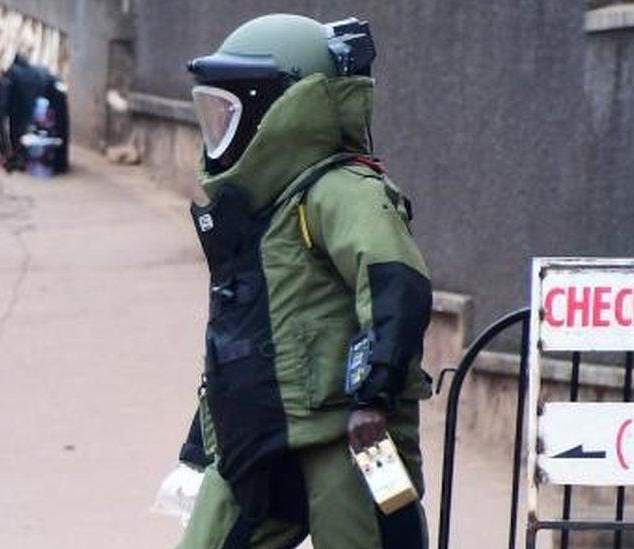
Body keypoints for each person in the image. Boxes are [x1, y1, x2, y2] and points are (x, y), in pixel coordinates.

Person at [176, 13, 433, 549]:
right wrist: (204, 440)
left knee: (372, 534)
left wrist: (374, 398)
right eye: (212, 114)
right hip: (261, 433)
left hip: (349, 433)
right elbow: (235, 335)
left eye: (230, 113)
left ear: (286, 109)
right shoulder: (258, 211)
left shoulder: (340, 190)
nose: (219, 132)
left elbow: (395, 284)